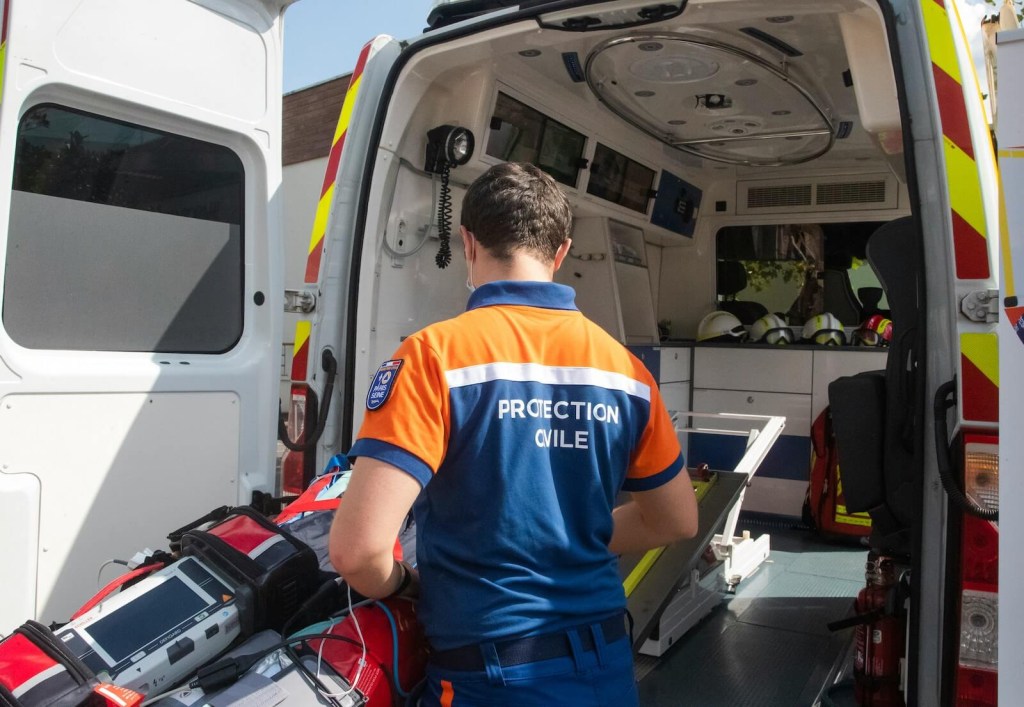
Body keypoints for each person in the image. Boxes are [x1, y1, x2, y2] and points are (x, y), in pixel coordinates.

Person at [329, 162, 698, 705]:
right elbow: (676, 519)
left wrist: (408, 583)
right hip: (606, 669)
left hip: (491, 675)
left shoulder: (435, 356)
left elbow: (357, 554)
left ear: (468, 242)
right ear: (562, 251)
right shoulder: (625, 372)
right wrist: (569, 539)